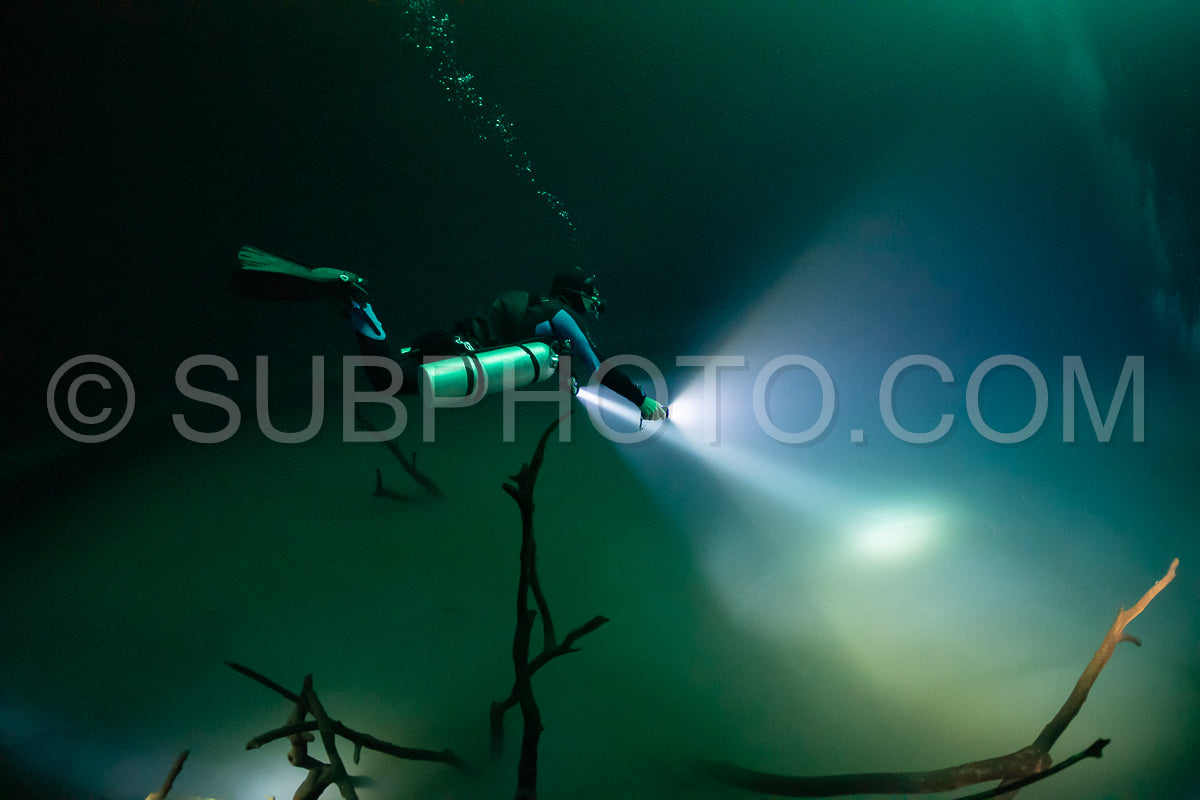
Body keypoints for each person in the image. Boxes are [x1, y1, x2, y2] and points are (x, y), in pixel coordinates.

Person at [232, 247, 668, 420]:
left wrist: (562, 380)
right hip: (460, 353)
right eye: (593, 296)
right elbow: (599, 368)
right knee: (388, 380)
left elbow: (534, 360)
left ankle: (355, 304)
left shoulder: (537, 311)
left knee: (385, 379)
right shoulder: (560, 317)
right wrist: (640, 399)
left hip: (449, 342)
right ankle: (354, 297)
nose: (596, 305)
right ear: (579, 294)